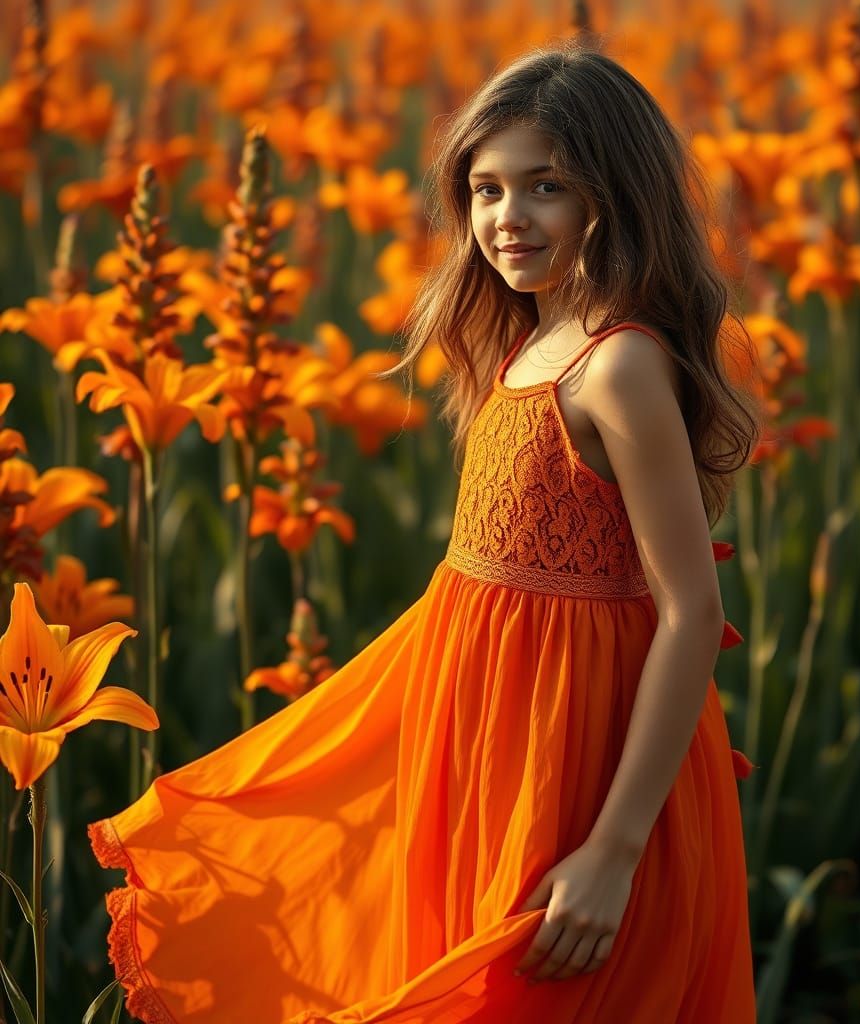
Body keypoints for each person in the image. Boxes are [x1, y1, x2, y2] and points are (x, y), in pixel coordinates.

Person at [88, 40, 763, 1024]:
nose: (505, 218)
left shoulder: (617, 369)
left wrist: (612, 851)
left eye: (544, 187)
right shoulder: (528, 348)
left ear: (612, 196)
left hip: (579, 762)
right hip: (478, 743)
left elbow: (690, 613)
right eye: (485, 189)